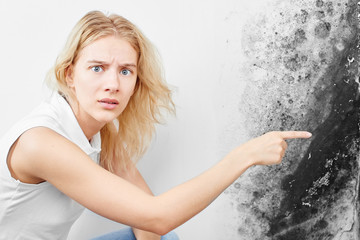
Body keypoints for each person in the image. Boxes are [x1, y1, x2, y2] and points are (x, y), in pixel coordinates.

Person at [0, 10, 311, 240]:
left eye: (125, 71)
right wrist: (245, 155)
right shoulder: (40, 142)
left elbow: (150, 228)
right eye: (97, 68)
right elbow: (159, 216)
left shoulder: (101, 133)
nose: (113, 84)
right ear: (69, 75)